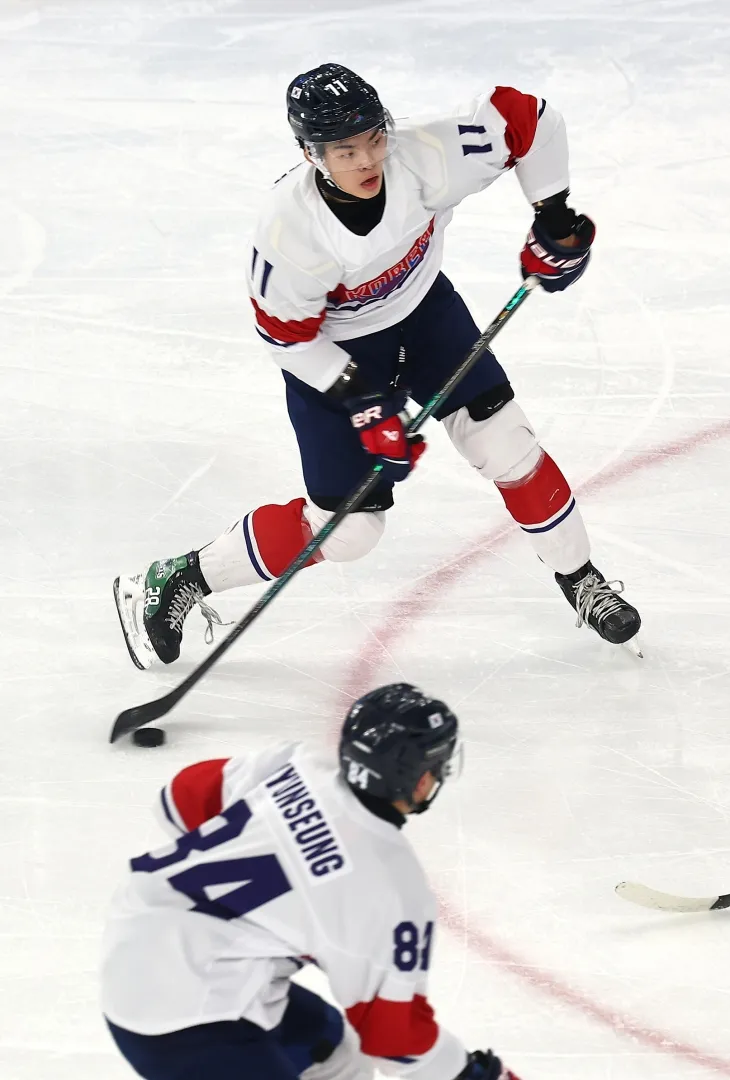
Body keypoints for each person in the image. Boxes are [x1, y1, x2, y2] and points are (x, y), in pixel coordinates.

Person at [114, 62, 640, 670]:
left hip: (425, 317)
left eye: (374, 139)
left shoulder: (430, 155)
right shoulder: (290, 231)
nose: (367, 160)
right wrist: (363, 400)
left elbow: (530, 119)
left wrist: (554, 217)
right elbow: (284, 336)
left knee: (507, 444)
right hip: (336, 354)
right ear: (310, 153)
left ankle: (580, 578)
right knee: (349, 532)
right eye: (345, 150)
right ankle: (182, 577)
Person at [100, 683, 520, 1080]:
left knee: (338, 1055)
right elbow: (394, 1038)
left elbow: (180, 796)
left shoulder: (297, 765)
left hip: (138, 934)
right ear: (421, 779)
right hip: (182, 1021)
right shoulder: (390, 885)